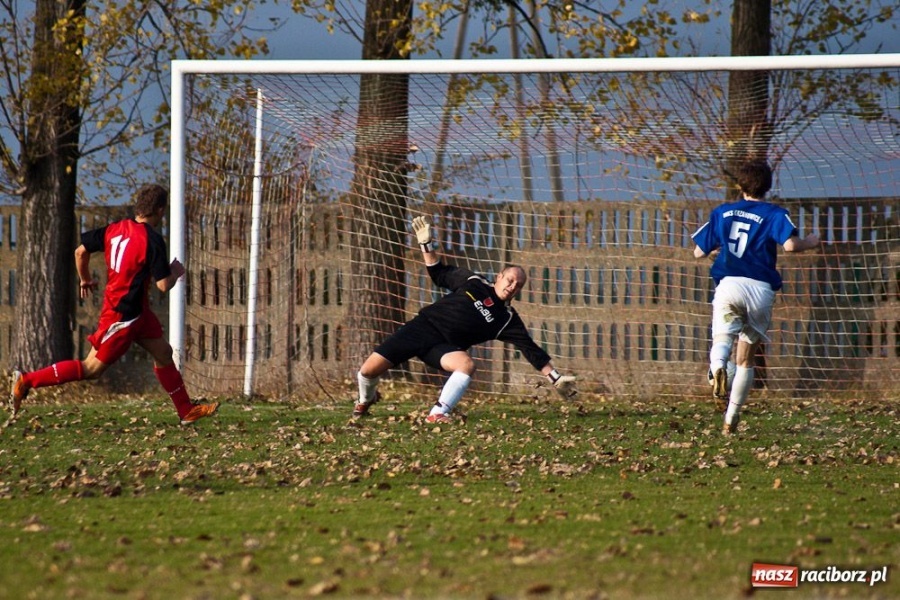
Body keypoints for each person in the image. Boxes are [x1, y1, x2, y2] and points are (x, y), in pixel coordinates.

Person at [8, 184, 219, 425]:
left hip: (137, 312)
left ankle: (186, 411)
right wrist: (175, 271)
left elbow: (80, 252)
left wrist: (85, 279)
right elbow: (163, 285)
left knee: (163, 353)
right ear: (160, 210)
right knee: (91, 369)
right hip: (122, 317)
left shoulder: (115, 228)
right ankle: (26, 380)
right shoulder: (152, 239)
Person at [352, 215, 577, 423]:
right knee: (367, 372)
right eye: (509, 280)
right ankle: (365, 400)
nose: (511, 286)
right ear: (499, 277)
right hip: (421, 329)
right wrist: (426, 245)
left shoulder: (506, 320)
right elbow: (439, 274)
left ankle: (438, 413)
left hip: (444, 348)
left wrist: (555, 378)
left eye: (517, 285)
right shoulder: (473, 282)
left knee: (467, 364)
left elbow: (530, 349)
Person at [692, 160, 819, 434]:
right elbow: (789, 245)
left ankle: (716, 369)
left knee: (722, 339)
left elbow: (699, 252)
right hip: (760, 290)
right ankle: (731, 418)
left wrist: (719, 252)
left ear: (740, 186)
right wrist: (811, 241)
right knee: (746, 360)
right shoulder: (774, 213)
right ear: (768, 187)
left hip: (729, 285)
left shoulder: (722, 212)